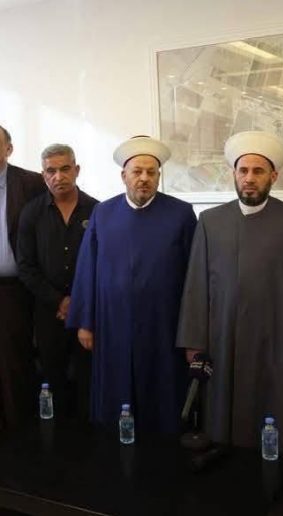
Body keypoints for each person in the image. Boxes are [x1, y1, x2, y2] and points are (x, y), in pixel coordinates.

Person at [177, 131, 283, 507]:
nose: (249, 178)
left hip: (277, 343)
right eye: (243, 170)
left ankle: (280, 495)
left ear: (273, 176)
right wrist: (194, 341)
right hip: (222, 342)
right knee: (221, 420)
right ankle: (228, 493)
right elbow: (196, 284)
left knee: (278, 416)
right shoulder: (210, 221)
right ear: (233, 174)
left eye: (258, 171)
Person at [67, 136, 197, 433]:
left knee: (162, 396)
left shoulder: (181, 214)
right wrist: (85, 322)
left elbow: (194, 276)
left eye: (151, 172)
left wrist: (193, 331)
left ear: (159, 177)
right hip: (113, 324)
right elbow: (87, 269)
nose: (144, 178)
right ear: (123, 175)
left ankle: (162, 450)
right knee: (116, 397)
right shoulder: (103, 213)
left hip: (164, 324)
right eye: (137, 171)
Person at [17, 144, 97, 418]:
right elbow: (26, 266)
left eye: (65, 169)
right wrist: (60, 301)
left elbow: (104, 266)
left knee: (89, 378)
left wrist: (79, 303)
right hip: (48, 312)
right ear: (43, 176)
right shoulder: (31, 213)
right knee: (53, 377)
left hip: (88, 314)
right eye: (51, 171)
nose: (58, 176)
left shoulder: (98, 210)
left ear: (77, 170)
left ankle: (91, 433)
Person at [0, 125, 46, 429]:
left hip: (15, 289)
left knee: (13, 361)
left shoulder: (31, 183)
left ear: (9, 149)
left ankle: (17, 427)